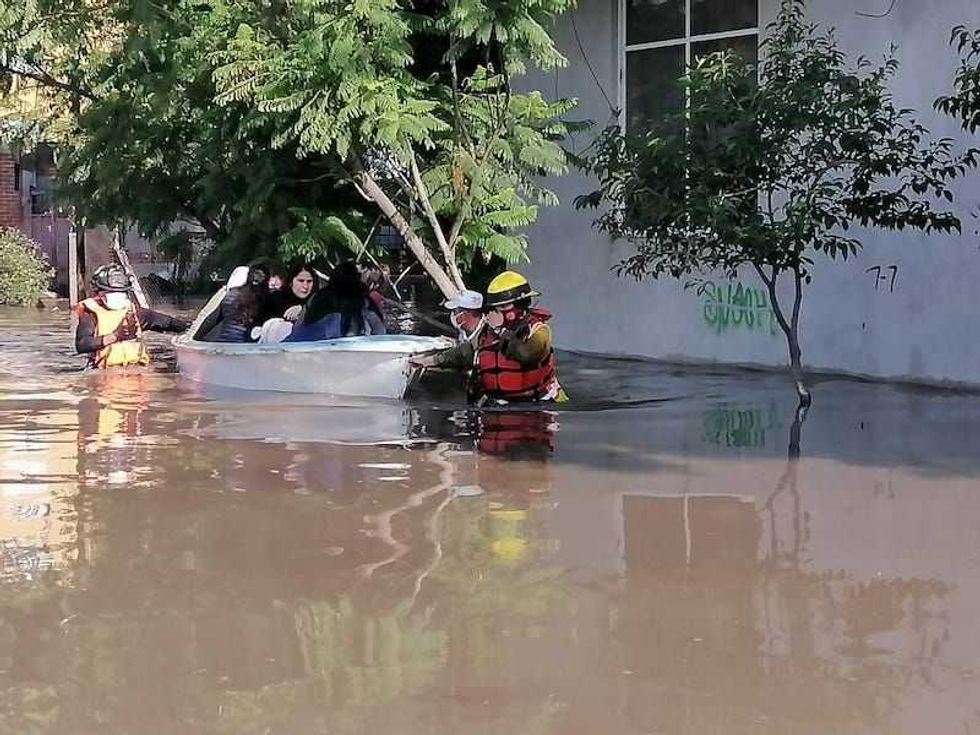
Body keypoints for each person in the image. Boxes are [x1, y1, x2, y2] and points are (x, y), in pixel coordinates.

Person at [411, 272, 566, 405]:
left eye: (503, 307)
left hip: (539, 407)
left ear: (520, 305)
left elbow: (527, 354)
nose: (497, 313)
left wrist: (502, 333)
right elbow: (465, 352)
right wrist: (428, 361)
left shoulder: (539, 331)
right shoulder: (488, 333)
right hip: (500, 406)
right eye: (495, 308)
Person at [74, 264, 189, 369]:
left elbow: (169, 323)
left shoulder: (135, 313)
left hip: (135, 369)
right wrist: (115, 336)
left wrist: (191, 329)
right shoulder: (91, 314)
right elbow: (82, 344)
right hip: (105, 370)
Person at [287, 260, 386, 341]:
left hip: (300, 347)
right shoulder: (361, 301)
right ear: (356, 281)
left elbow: (297, 329)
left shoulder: (317, 297)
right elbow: (380, 332)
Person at [195, 265, 269, 342]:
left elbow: (210, 321)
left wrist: (195, 339)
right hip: (244, 342)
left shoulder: (230, 296)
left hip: (225, 340)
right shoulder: (258, 298)